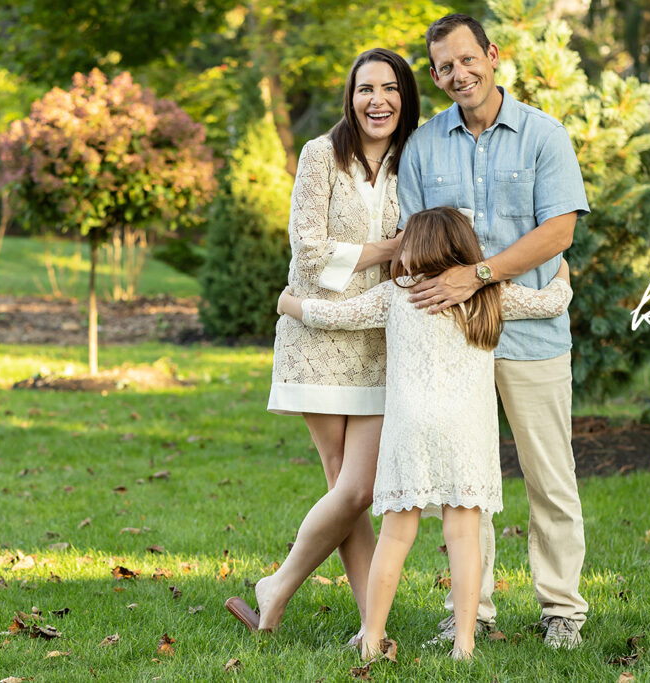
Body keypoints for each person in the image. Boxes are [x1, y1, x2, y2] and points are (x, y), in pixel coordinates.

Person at [277, 207, 574, 660]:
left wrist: (288, 304)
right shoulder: (489, 295)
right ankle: (465, 643)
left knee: (397, 535)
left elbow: (335, 315)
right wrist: (562, 273)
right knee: (463, 533)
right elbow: (552, 302)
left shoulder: (398, 294)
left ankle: (372, 637)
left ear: (415, 248)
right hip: (467, 431)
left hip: (408, 428)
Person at [395, 14, 591, 649]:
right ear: (434, 75)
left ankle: (562, 608)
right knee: (466, 484)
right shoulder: (423, 147)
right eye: (444, 67)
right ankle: (469, 613)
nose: (458, 74)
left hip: (533, 338)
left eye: (466, 59)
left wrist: (477, 273)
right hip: (457, 346)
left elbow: (558, 233)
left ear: (492, 55)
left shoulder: (543, 135)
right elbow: (413, 243)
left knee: (549, 477)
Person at [224, 48, 420, 644]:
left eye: (390, 89)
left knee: (357, 489)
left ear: (406, 98)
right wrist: (389, 250)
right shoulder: (320, 156)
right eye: (366, 89)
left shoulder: (415, 160)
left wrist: (398, 255)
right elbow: (308, 252)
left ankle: (276, 586)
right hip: (317, 337)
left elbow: (427, 245)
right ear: (350, 96)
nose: (377, 100)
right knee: (346, 486)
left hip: (381, 340)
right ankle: (371, 630)